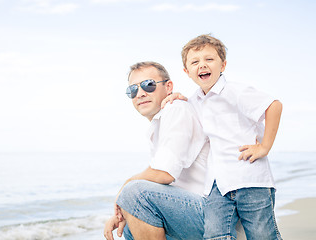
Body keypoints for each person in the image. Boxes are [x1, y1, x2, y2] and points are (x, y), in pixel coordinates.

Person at [164, 34, 283, 239]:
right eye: (195, 62)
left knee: (262, 234)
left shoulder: (235, 91)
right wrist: (177, 97)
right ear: (187, 71)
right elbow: (189, 113)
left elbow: (274, 106)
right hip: (217, 184)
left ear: (223, 65)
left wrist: (264, 147)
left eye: (209, 59)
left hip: (250, 178)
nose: (202, 65)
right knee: (214, 234)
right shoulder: (195, 101)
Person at [103, 61, 209, 240]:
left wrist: (124, 190)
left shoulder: (176, 109)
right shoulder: (159, 124)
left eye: (148, 85)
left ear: (168, 87)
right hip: (191, 212)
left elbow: (163, 173)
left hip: (213, 213)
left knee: (134, 192)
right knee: (131, 225)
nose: (141, 93)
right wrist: (125, 212)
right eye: (133, 90)